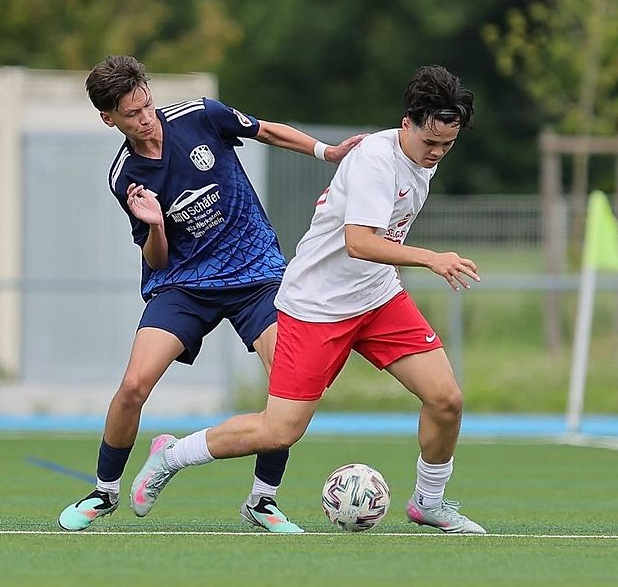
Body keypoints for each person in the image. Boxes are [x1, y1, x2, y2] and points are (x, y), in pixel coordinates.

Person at [127, 65, 486, 534]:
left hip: (377, 297)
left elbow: (378, 243)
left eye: (447, 145)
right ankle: (172, 455)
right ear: (407, 123)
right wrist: (432, 259)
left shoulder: (420, 159)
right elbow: (359, 242)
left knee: (446, 399)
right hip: (317, 307)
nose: (437, 153)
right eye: (431, 142)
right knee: (280, 431)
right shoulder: (376, 162)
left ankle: (429, 502)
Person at [58, 55, 364, 533]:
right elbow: (158, 258)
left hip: (256, 275)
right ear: (108, 118)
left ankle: (262, 500)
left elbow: (266, 131)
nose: (146, 118)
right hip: (183, 284)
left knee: (288, 386)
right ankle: (104, 491)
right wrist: (155, 225)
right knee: (134, 385)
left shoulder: (200, 115)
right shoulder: (125, 176)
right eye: (132, 114)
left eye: (147, 104)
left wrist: (328, 153)